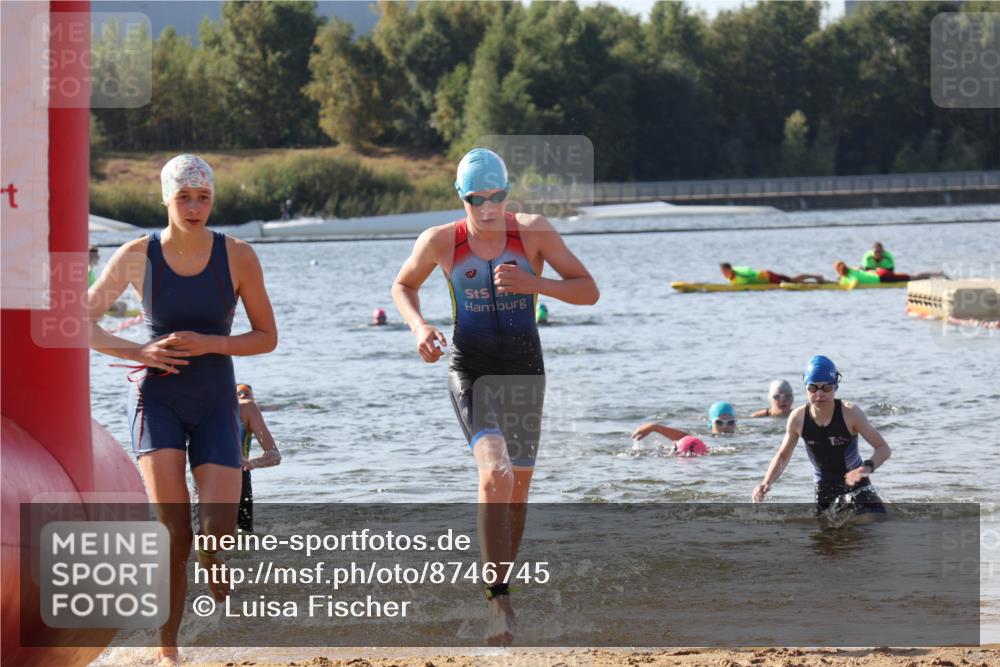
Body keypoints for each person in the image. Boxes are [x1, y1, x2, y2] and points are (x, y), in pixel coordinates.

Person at [391, 147, 599, 645]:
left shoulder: (533, 232)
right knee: (495, 475)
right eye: (476, 199)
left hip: (526, 372)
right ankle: (497, 603)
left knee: (518, 497)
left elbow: (588, 289)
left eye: (497, 197)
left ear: (508, 194)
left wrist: (534, 283)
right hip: (471, 369)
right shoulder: (441, 241)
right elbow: (403, 284)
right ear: (461, 197)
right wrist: (419, 326)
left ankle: (502, 585)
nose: (487, 208)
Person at [88, 154, 277, 667]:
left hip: (216, 398)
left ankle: (216, 561)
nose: (194, 208)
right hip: (157, 399)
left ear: (212, 199)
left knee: (216, 529)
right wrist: (139, 353)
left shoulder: (237, 256)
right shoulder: (135, 256)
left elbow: (267, 338)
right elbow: (78, 321)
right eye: (184, 198)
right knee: (175, 532)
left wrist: (210, 343)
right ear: (166, 199)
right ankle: (166, 648)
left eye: (203, 197)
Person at [751, 356, 890, 518]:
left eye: (826, 388)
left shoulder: (850, 413)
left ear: (835, 386)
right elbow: (783, 456)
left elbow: (883, 448)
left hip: (858, 483)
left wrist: (866, 468)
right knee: (825, 538)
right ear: (805, 387)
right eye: (812, 388)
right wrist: (766, 482)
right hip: (824, 488)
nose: (819, 394)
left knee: (875, 522)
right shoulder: (798, 418)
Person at [236, 383, 281, 533]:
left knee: (244, 535)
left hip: (240, 476)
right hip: (206, 475)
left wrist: (252, 463)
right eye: (238, 393)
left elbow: (274, 455)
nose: (242, 397)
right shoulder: (205, 409)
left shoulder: (248, 410)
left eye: (246, 394)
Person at [632, 401, 737, 446]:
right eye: (719, 422)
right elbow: (688, 438)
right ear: (710, 423)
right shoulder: (709, 438)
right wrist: (655, 427)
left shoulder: (746, 436)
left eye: (730, 422)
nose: (725, 426)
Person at [834, 260, 945, 287]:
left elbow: (855, 282)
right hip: (879, 272)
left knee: (912, 278)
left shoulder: (849, 276)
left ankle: (937, 274)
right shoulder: (852, 269)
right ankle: (936, 275)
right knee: (911, 276)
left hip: (882, 278)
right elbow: (860, 268)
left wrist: (848, 289)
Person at [90, 245, 128, 316]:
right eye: (97, 256)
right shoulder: (89, 272)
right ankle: (116, 323)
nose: (99, 258)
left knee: (121, 305)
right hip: (93, 302)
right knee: (122, 306)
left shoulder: (89, 271)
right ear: (92, 257)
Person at [720, 262, 826, 285]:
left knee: (792, 281)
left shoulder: (739, 272)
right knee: (793, 280)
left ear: (729, 269)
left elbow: (750, 273)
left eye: (725, 271)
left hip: (768, 277)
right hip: (767, 277)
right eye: (722, 272)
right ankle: (815, 278)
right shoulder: (731, 278)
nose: (723, 274)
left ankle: (815, 278)